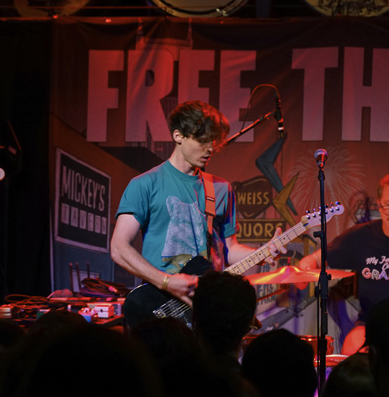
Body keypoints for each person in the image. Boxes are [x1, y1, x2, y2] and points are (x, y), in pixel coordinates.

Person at [111, 100, 281, 317]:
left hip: (208, 307)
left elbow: (228, 249)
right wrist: (166, 282)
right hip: (160, 307)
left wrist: (263, 252)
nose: (210, 148)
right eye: (202, 140)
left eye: (213, 141)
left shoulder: (221, 189)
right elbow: (118, 247)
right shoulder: (145, 184)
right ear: (178, 136)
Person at [299, 172, 389, 354]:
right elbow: (315, 258)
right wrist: (306, 266)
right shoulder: (361, 236)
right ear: (379, 203)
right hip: (372, 322)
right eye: (388, 206)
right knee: (352, 346)